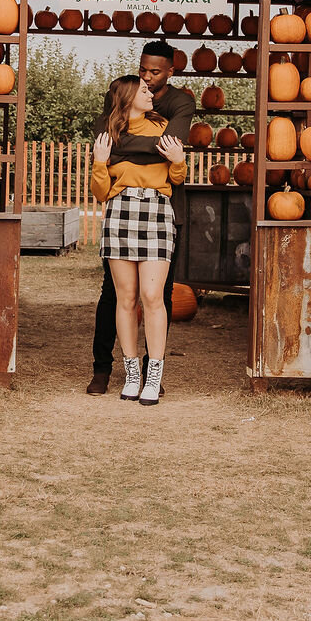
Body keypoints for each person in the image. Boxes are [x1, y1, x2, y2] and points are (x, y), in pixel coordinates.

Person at [87, 40, 194, 395]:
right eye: (142, 80)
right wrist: (104, 160)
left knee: (154, 295)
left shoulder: (169, 114)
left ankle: (153, 375)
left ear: (169, 71)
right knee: (122, 297)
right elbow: (101, 190)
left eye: (153, 76)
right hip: (121, 211)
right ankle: (128, 374)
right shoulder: (111, 129)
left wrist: (173, 160)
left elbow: (175, 168)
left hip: (158, 211)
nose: (147, 82)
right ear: (128, 95)